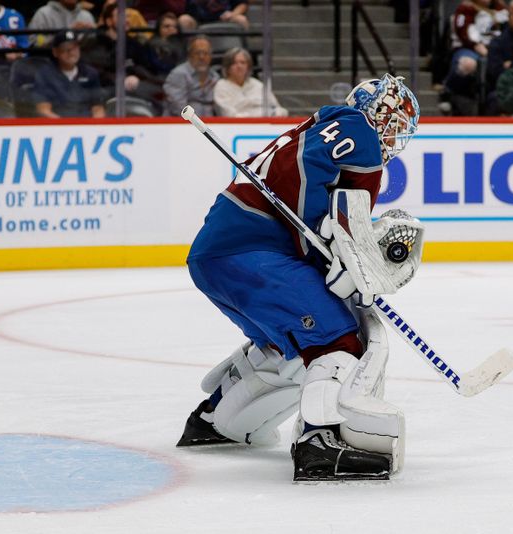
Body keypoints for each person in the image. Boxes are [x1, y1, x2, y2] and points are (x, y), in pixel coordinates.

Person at [177, 73, 421, 482]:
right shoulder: (356, 129)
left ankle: (219, 421)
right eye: (394, 121)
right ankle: (321, 443)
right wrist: (320, 255)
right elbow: (303, 173)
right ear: (376, 112)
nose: (396, 136)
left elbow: (317, 197)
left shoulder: (326, 127)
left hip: (220, 254)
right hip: (253, 251)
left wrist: (331, 257)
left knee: (289, 347)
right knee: (338, 340)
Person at [33, 30, 105, 118]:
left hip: (87, 126)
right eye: (65, 48)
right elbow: (43, 110)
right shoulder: (45, 75)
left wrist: (93, 126)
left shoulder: (90, 73)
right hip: (57, 127)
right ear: (55, 52)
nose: (71, 52)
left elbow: (98, 108)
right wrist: (65, 127)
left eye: (75, 47)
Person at [214, 47, 288, 117]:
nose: (239, 66)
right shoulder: (221, 86)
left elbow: (278, 109)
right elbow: (228, 114)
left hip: (265, 126)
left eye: (242, 62)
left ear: (248, 66)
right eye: (234, 63)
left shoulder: (258, 85)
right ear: (227, 67)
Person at [163, 35, 219, 116]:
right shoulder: (178, 74)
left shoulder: (214, 77)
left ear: (210, 56)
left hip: (209, 125)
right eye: (197, 53)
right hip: (180, 124)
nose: (202, 57)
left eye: (205, 53)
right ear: (189, 55)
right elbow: (178, 108)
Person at [28, 0, 96, 46]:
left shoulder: (86, 16)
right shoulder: (43, 13)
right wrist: (68, 32)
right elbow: (34, 43)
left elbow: (92, 48)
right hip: (48, 61)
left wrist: (89, 35)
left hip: (80, 63)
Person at [146, 11, 186, 77]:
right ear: (159, 29)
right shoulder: (150, 46)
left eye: (175, 27)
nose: (171, 29)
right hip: (157, 78)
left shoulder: (183, 45)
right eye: (167, 26)